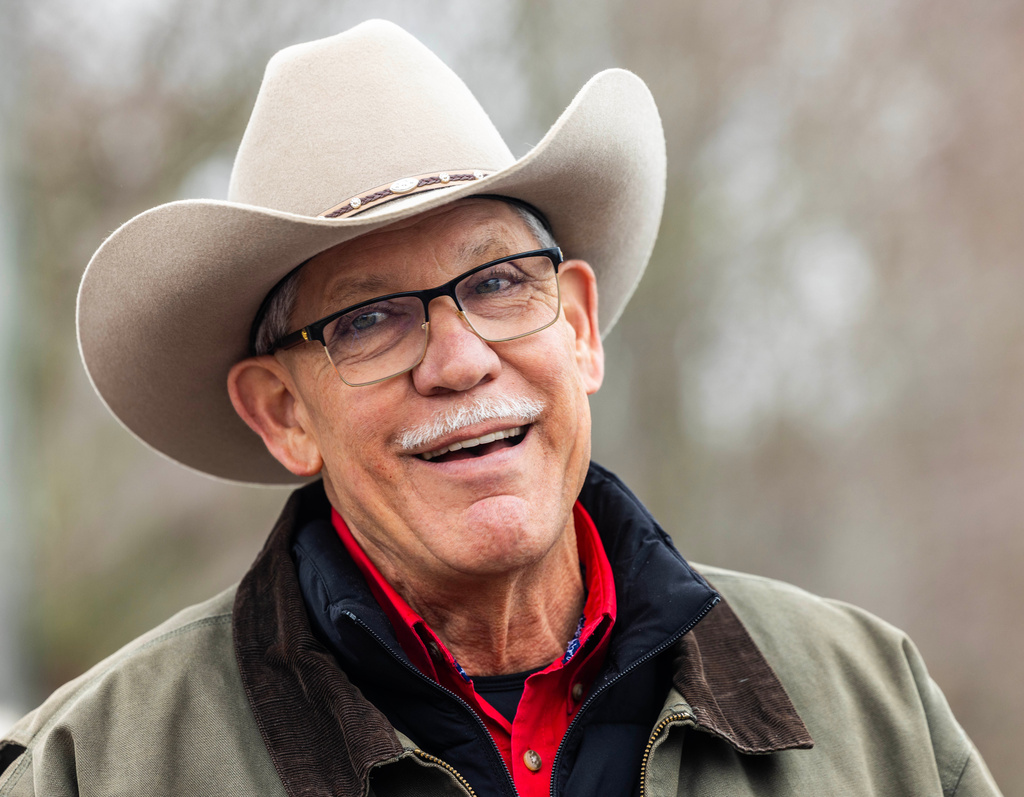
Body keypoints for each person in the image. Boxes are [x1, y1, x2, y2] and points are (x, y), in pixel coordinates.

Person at [0, 19, 1002, 797]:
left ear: (578, 327)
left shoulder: (874, 709)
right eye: (370, 320)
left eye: (497, 283)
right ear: (281, 410)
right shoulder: (97, 763)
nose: (459, 358)